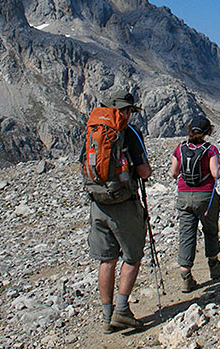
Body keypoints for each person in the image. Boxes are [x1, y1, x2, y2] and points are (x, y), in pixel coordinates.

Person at [83, 90, 152, 333]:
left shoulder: (93, 127)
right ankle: (122, 311)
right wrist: (145, 171)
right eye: (131, 110)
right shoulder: (129, 132)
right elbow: (143, 171)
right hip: (123, 202)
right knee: (132, 257)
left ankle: (106, 316)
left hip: (97, 203)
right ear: (126, 110)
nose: (131, 115)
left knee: (107, 259)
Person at [170, 116, 220, 293]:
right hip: (206, 196)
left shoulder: (180, 148)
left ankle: (186, 276)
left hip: (184, 195)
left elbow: (173, 173)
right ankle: (214, 266)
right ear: (208, 131)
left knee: (186, 233)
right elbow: (216, 173)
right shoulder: (210, 149)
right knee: (210, 229)